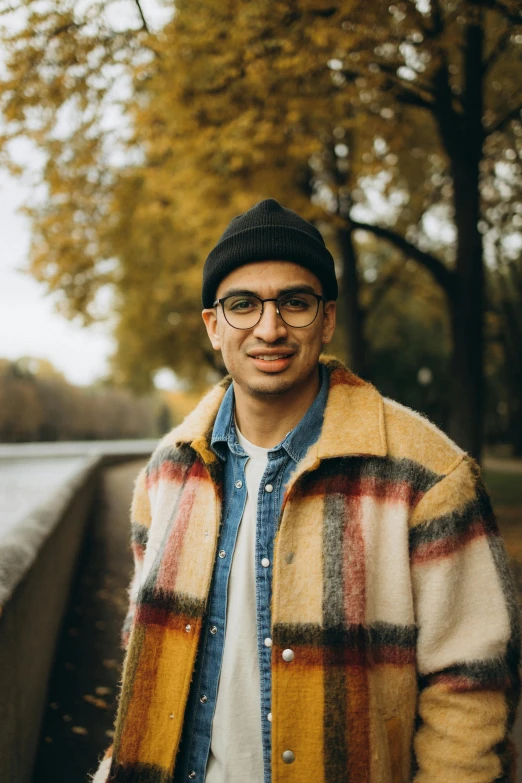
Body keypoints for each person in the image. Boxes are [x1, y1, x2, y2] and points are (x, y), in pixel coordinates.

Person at [91, 199, 520, 783]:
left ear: (328, 319)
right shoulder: (168, 472)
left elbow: (472, 687)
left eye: (295, 302)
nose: (270, 328)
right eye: (243, 305)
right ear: (214, 326)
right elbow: (144, 650)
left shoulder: (428, 475)